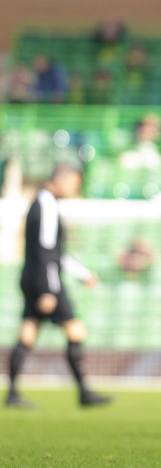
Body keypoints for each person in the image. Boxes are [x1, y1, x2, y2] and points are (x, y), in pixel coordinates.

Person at [5, 163, 111, 408]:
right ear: (61, 180)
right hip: (43, 282)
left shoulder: (40, 203)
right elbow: (46, 253)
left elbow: (53, 251)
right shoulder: (47, 206)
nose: (76, 188)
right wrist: (48, 290)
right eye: (75, 183)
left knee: (27, 333)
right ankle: (84, 393)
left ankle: (11, 394)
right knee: (76, 331)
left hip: (32, 278)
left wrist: (82, 273)